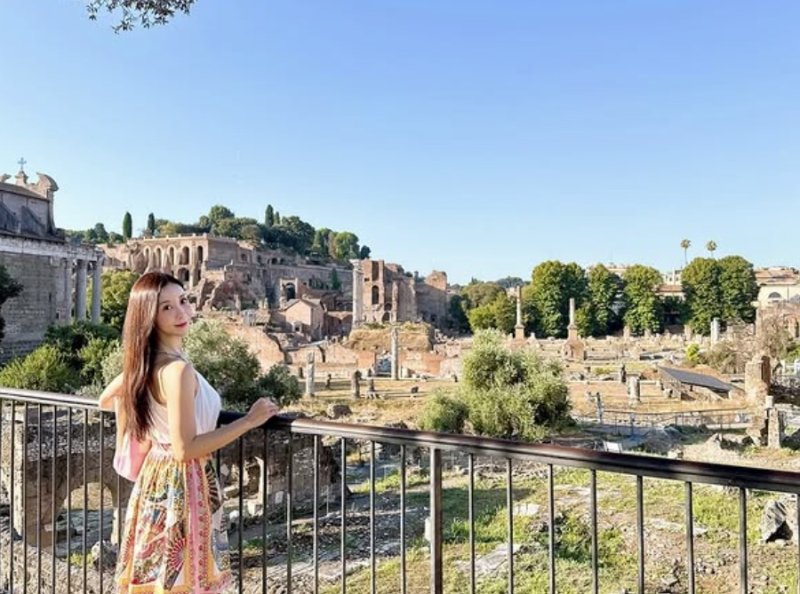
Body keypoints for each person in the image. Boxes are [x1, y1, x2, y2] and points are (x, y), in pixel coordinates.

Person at [98, 271, 279, 594]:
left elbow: (105, 400)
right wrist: (249, 420)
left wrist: (150, 421)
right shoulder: (177, 370)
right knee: (186, 578)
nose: (181, 312)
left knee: (159, 577)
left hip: (156, 475)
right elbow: (186, 449)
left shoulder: (144, 363)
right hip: (186, 481)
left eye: (183, 301)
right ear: (148, 315)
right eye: (166, 307)